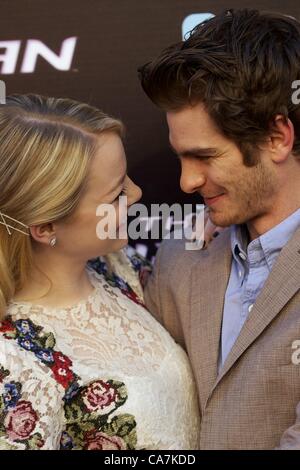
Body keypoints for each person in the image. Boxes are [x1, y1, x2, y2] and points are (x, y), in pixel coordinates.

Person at [0, 94, 200, 450]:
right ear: (45, 227)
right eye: (115, 194)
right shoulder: (10, 361)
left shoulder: (121, 271)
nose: (136, 193)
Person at [139, 9, 300, 449]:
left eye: (205, 157)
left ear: (276, 138)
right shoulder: (179, 256)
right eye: (180, 158)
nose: (186, 182)